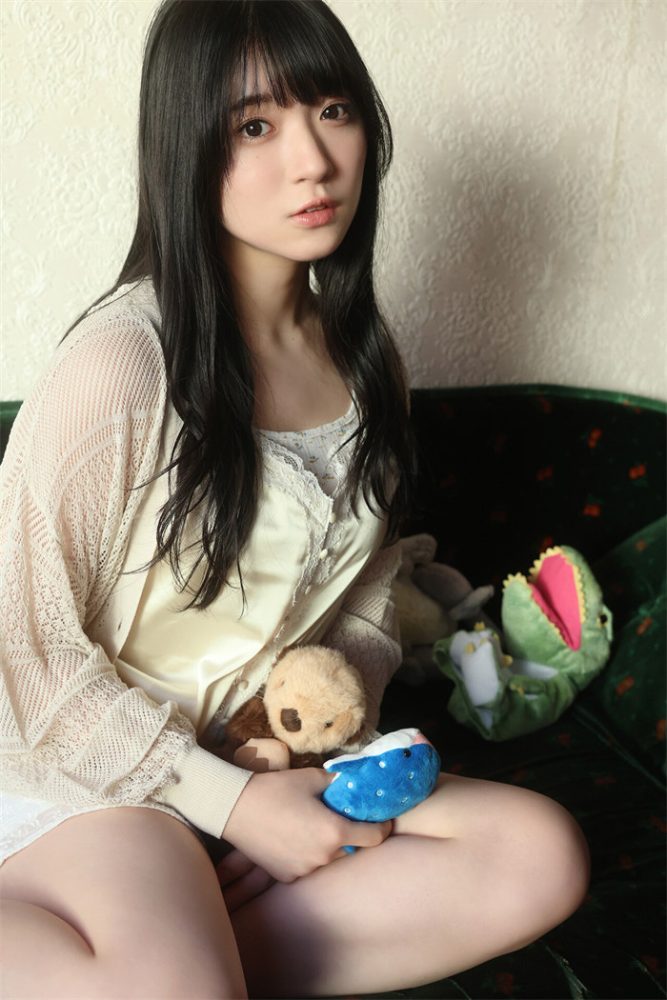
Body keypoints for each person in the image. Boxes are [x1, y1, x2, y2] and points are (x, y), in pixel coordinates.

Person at [0, 2, 590, 997]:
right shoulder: (121, 367)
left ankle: (175, 952)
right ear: (185, 148)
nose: (312, 162)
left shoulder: (366, 361)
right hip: (82, 766)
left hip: (260, 762)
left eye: (332, 110)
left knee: (537, 854)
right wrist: (226, 805)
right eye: (254, 125)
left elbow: (367, 589)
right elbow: (25, 654)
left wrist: (296, 761)